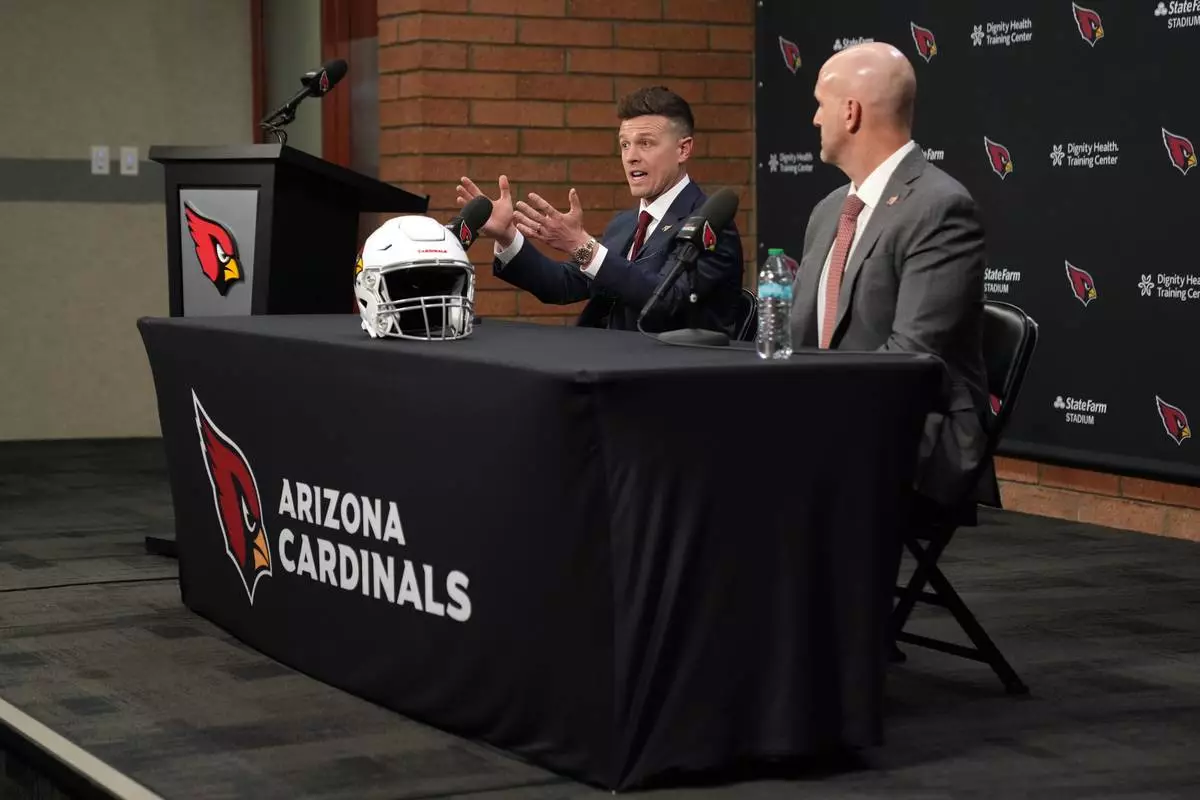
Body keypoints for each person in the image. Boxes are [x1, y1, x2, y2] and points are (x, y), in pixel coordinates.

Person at [790, 42, 1000, 522]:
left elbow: (910, 357)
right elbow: (797, 338)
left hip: (915, 431)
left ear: (851, 112)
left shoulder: (939, 207)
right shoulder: (828, 211)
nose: (815, 119)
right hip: (836, 420)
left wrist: (810, 412)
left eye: (820, 105)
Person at [455, 86, 745, 336]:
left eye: (645, 143)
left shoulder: (710, 225)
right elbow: (563, 286)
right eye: (624, 145)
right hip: (606, 366)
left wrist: (582, 246)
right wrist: (507, 236)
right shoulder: (624, 224)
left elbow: (667, 299)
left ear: (683, 150)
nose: (631, 157)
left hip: (673, 375)